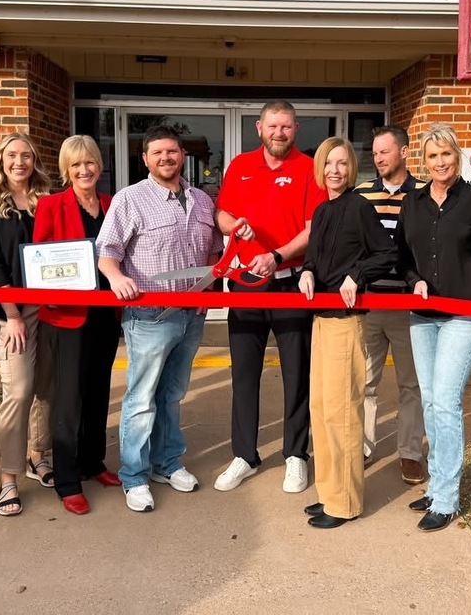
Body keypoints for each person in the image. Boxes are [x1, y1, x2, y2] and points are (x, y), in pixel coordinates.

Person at [97, 125, 224, 513]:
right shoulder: (130, 200)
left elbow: (214, 254)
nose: (166, 158)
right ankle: (133, 475)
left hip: (191, 315)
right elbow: (107, 251)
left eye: (172, 152)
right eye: (157, 153)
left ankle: (166, 463)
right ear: (146, 159)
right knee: (141, 397)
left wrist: (208, 293)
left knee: (172, 394)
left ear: (182, 155)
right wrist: (116, 278)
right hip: (149, 315)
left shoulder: (203, 201)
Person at [396, 125, 471, 532]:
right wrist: (414, 281)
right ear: (423, 161)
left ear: (457, 156)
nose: (440, 162)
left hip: (466, 313)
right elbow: (401, 258)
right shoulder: (412, 203)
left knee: (445, 401)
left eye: (446, 154)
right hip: (423, 315)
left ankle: (446, 499)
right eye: (432, 156)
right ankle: (436, 485)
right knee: (429, 401)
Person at [213, 100, 325, 494]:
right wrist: (233, 224)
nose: (279, 133)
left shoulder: (309, 168)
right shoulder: (240, 166)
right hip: (244, 284)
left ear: (296, 129)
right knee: (244, 375)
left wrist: (276, 255)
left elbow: (313, 228)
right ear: (259, 127)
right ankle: (244, 454)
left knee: (297, 374)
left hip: (290, 282)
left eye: (287, 127)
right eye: (273, 126)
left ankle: (296, 455)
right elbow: (220, 214)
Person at [299, 138, 396, 529]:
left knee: (342, 414)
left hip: (347, 321)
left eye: (342, 164)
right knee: (320, 410)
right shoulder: (322, 210)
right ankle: (328, 493)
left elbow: (387, 253)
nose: (335, 170)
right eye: (329, 164)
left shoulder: (359, 207)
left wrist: (357, 275)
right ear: (320, 168)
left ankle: (345, 503)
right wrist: (307, 270)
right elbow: (315, 256)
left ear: (351, 169)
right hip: (321, 320)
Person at [32, 135, 122, 515]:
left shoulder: (112, 203)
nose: (84, 170)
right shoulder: (51, 206)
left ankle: (92, 462)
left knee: (99, 389)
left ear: (99, 166)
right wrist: (47, 291)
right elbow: (39, 257)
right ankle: (67, 478)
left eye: (90, 163)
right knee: (68, 398)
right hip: (67, 314)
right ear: (66, 171)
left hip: (105, 312)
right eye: (76, 165)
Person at [0, 133, 54, 518]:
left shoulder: (45, 202)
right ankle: (8, 477)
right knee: (18, 390)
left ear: (35, 161)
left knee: (46, 388)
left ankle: (40, 455)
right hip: (11, 310)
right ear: (0, 160)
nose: (19, 162)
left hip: (51, 305)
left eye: (26, 155)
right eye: (12, 155)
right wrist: (13, 315)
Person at [354, 125, 428, 484]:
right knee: (364, 381)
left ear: (403, 152)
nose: (378, 158)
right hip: (368, 303)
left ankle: (410, 452)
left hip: (407, 306)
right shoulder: (362, 194)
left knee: (410, 384)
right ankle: (363, 446)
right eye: (375, 152)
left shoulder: (425, 196)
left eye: (385, 151)